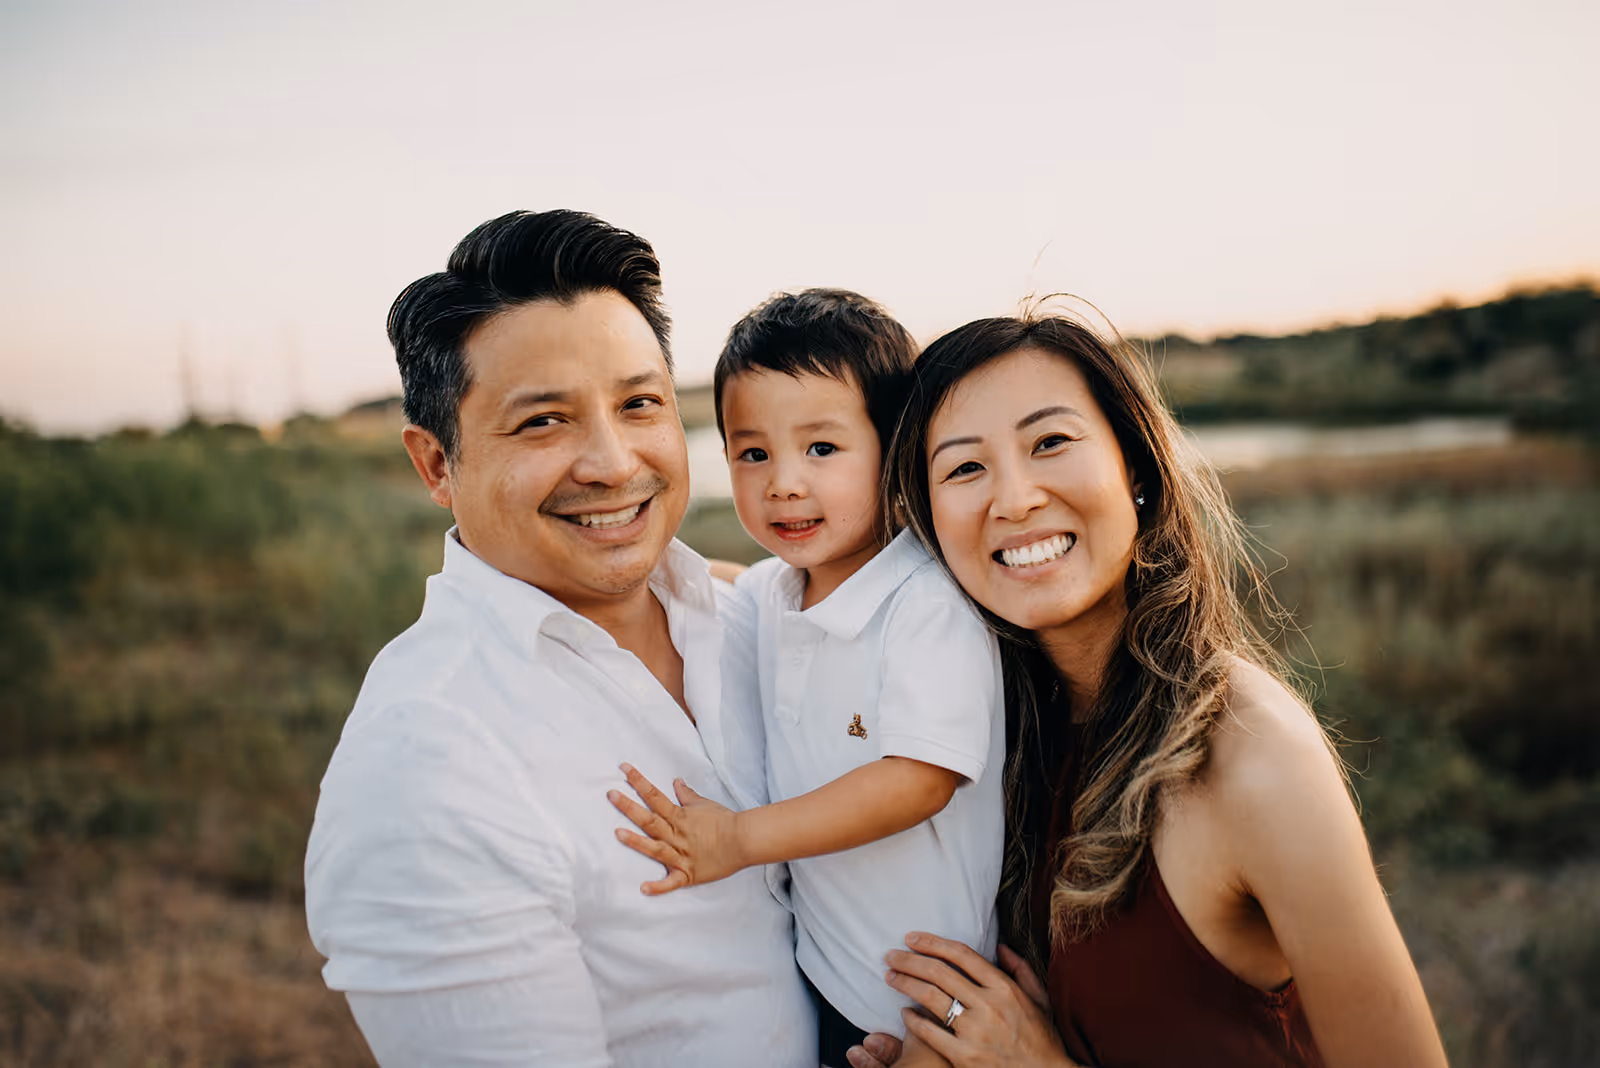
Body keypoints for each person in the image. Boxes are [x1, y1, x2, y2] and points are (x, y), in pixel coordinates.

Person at [847, 314, 1449, 1067]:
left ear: (1134, 468)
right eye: (965, 468)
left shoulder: (1250, 752)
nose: (1016, 499)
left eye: (1050, 442)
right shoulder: (978, 742)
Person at [303, 209, 815, 1067]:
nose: (614, 463)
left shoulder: (756, 619)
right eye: (544, 421)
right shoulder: (425, 765)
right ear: (436, 463)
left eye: (640, 404)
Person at [607, 290, 1005, 1068]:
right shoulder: (779, 592)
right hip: (826, 985)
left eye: (821, 449)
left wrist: (738, 839)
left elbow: (920, 780)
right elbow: (720, 580)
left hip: (930, 1006)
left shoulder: (925, 602)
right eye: (752, 454)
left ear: (896, 447)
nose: (784, 483)